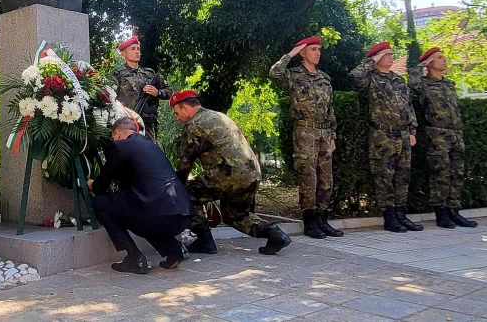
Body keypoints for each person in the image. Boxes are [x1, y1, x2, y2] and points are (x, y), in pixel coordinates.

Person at [170, 90, 292, 256]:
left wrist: (175, 185)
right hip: (252, 173)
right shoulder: (220, 116)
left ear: (185, 107)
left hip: (229, 173)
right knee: (235, 215)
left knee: (186, 192)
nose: (177, 118)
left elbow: (185, 163)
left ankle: (204, 240)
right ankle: (275, 234)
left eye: (177, 113)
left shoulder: (193, 125)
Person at [88, 118, 194, 273]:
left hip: (156, 213)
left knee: (99, 203)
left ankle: (134, 258)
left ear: (117, 134)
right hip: (183, 213)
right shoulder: (151, 145)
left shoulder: (120, 146)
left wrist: (93, 183)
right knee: (138, 211)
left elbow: (102, 184)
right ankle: (173, 250)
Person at [269, 36, 343, 239]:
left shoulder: (325, 78)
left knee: (326, 178)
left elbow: (330, 110)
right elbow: (274, 73)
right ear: (303, 53)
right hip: (304, 132)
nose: (318, 52)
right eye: (313, 49)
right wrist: (291, 53)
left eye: (319, 49)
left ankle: (322, 219)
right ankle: (310, 222)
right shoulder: (293, 75)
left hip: (324, 133)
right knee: (308, 177)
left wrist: (333, 135)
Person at [350, 42, 423, 233]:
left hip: (403, 135)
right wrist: (371, 61)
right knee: (384, 177)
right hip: (383, 135)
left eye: (392, 54)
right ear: (377, 57)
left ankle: (401, 214)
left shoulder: (399, 80)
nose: (391, 57)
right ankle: (389, 217)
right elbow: (355, 75)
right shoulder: (370, 79)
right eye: (387, 54)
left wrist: (412, 130)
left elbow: (409, 107)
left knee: (402, 178)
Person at [409, 47, 477, 229]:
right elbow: (412, 82)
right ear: (430, 63)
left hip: (456, 133)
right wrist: (421, 64)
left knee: (457, 173)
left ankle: (454, 211)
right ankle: (441, 213)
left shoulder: (449, 84)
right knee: (441, 174)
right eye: (439, 58)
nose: (444, 61)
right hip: (437, 134)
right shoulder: (424, 84)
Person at [109, 36, 172, 140]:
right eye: (132, 49)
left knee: (147, 153)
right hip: (126, 122)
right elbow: (110, 96)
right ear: (124, 54)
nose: (137, 52)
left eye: (138, 49)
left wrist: (158, 93)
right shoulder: (117, 73)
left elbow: (169, 91)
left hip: (147, 125)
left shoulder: (149, 74)